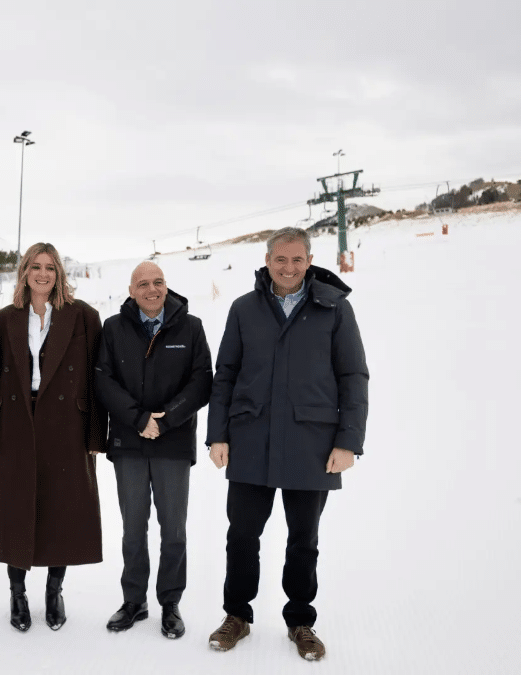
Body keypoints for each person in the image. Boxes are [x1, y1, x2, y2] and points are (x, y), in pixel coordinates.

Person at [205, 227, 368, 661]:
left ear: (309, 261)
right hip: (251, 440)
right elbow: (225, 376)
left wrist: (348, 441)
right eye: (281, 260)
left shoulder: (334, 309)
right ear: (268, 259)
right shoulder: (244, 309)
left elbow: (353, 377)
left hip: (311, 443)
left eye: (298, 260)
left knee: (304, 539)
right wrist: (217, 434)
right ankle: (236, 615)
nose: (289, 268)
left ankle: (301, 621)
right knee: (241, 535)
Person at [0, 242, 106, 632]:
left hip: (67, 420)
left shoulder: (84, 317)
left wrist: (94, 436)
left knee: (62, 509)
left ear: (59, 274)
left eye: (50, 268)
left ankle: (54, 591)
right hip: (19, 419)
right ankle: (17, 593)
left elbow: (95, 378)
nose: (43, 274)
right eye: (35, 266)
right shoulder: (4, 319)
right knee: (16, 507)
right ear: (24, 272)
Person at [94, 260, 213, 639]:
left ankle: (170, 603)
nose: (151, 289)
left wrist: (167, 418)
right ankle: (134, 601)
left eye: (158, 282)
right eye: (142, 283)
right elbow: (102, 380)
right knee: (132, 529)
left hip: (172, 443)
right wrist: (138, 418)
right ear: (131, 291)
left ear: (167, 286)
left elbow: (202, 381)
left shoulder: (189, 327)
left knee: (173, 530)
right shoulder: (113, 328)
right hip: (128, 442)